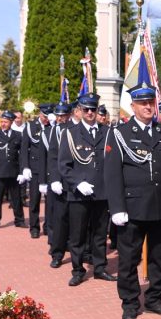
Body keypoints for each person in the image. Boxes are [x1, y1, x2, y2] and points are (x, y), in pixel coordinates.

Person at [105, 82, 161, 319]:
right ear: (133, 105)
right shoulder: (120, 134)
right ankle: (129, 302)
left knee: (159, 257)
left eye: (150, 102)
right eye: (142, 103)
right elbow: (112, 173)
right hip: (132, 208)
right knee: (128, 259)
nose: (148, 107)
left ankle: (155, 298)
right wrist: (116, 207)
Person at [58, 93, 116, 285]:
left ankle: (99, 267)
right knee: (78, 235)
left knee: (100, 234)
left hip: (102, 191)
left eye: (93, 109)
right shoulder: (70, 133)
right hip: (79, 194)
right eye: (86, 109)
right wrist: (77, 183)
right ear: (79, 111)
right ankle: (77, 269)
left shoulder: (107, 132)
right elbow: (64, 165)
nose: (90, 113)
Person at [0, 110, 27, 230]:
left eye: (6, 122)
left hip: (14, 172)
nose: (3, 124)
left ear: (11, 122)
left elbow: (22, 155)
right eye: (2, 121)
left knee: (17, 198)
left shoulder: (17, 135)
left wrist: (22, 171)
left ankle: (19, 220)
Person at [46, 102, 72, 268]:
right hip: (60, 182)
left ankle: (81, 252)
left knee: (78, 220)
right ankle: (57, 253)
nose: (61, 118)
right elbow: (53, 157)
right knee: (60, 219)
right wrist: (54, 178)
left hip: (75, 181)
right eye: (58, 115)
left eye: (63, 115)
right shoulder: (54, 131)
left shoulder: (74, 130)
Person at [21, 105, 51, 239]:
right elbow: (24, 149)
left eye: (48, 117)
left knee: (50, 202)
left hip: (49, 169)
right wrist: (25, 167)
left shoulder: (53, 126)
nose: (46, 119)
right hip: (35, 168)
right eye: (45, 116)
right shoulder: (30, 126)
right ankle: (34, 227)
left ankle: (48, 226)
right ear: (40, 114)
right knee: (34, 200)